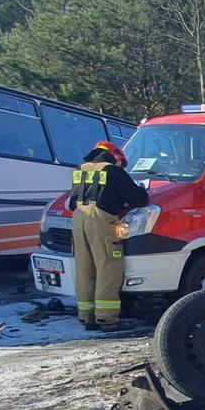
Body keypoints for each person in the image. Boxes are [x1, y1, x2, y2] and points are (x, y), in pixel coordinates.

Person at [68, 140, 148, 331]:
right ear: (116, 157)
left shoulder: (81, 169)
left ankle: (86, 315)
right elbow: (138, 198)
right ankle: (106, 318)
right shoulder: (113, 171)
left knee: (85, 267)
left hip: (78, 218)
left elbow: (72, 202)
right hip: (102, 220)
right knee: (108, 267)